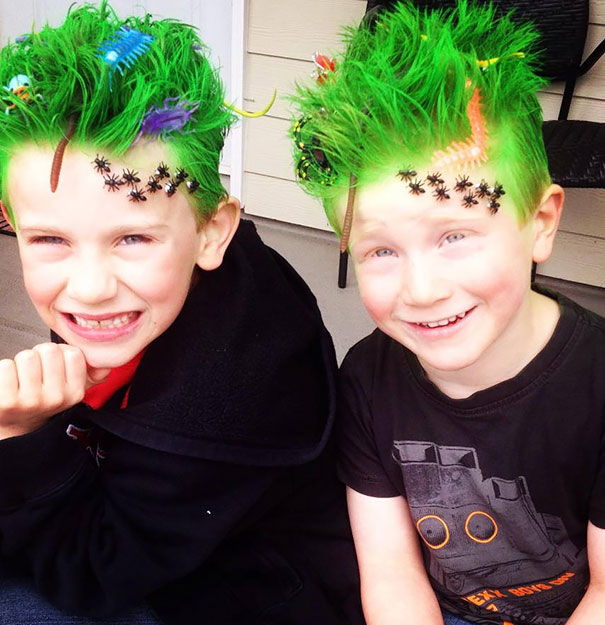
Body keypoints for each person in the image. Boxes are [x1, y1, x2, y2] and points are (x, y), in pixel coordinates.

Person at [0, 3, 364, 624]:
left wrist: (23, 438)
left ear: (212, 233)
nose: (87, 290)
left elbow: (90, 577)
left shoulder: (219, 407)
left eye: (132, 240)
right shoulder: (178, 269)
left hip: (252, 595)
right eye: (50, 240)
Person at [289, 1, 605, 624]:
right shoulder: (367, 380)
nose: (423, 289)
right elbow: (391, 576)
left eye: (455, 236)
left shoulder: (598, 384)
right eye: (380, 249)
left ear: (540, 223)